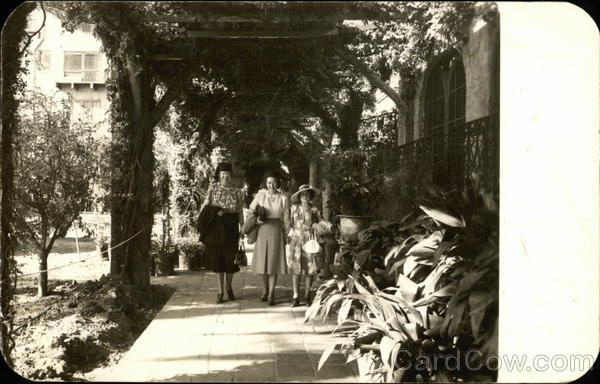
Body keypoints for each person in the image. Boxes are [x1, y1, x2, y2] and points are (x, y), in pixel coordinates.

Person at [200, 162, 244, 304]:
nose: (225, 176)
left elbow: (240, 212)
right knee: (218, 259)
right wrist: (201, 220)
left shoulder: (237, 190)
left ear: (231, 175)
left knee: (230, 259)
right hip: (216, 226)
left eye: (227, 174)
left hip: (231, 226)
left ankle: (229, 287)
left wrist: (242, 229)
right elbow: (207, 204)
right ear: (219, 175)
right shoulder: (213, 188)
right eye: (222, 174)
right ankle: (220, 291)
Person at [249, 172, 291, 305]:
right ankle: (265, 290)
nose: (270, 185)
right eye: (268, 182)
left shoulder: (284, 198)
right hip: (262, 230)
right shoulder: (261, 194)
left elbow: (287, 219)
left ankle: (271, 293)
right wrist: (256, 221)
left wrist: (286, 234)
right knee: (263, 262)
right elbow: (251, 210)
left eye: (273, 182)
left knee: (273, 263)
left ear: (278, 183)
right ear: (265, 184)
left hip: (276, 231)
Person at [288, 184, 322, 307]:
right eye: (303, 195)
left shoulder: (315, 210)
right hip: (297, 241)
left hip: (310, 241)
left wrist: (315, 228)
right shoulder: (294, 209)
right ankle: (295, 295)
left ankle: (307, 295)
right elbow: (291, 224)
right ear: (299, 197)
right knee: (296, 270)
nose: (305, 197)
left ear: (310, 196)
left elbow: (320, 223)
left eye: (307, 195)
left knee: (309, 269)